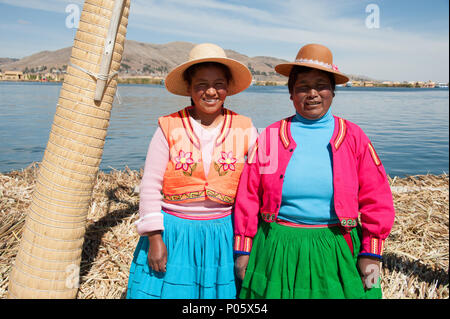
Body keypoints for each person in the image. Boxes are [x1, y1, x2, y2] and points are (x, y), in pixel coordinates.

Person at [233, 43, 395, 299]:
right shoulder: (272, 137)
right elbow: (249, 195)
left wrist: (371, 252)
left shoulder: (353, 137)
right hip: (277, 246)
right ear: (291, 94)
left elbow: (377, 196)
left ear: (332, 91)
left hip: (336, 246)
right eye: (302, 87)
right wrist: (243, 249)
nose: (313, 94)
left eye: (321, 85)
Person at [126, 43, 257, 299]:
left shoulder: (244, 128)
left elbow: (259, 182)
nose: (210, 91)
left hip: (224, 233)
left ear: (228, 88)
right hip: (175, 233)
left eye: (219, 84)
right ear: (189, 88)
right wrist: (155, 238)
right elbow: (151, 185)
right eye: (201, 84)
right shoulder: (169, 127)